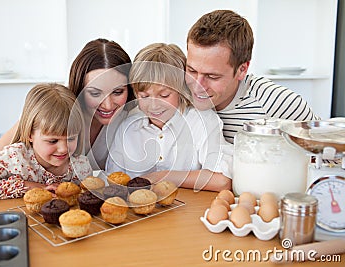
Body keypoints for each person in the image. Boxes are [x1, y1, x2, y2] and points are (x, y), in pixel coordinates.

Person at [0, 38, 134, 195]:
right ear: (80, 87)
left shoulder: (131, 120)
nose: (108, 105)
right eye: (95, 93)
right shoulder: (55, 113)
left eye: (118, 92)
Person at [106, 43, 232, 192]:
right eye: (144, 96)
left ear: (182, 89)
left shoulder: (201, 121)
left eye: (164, 95)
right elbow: (112, 180)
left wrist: (162, 176)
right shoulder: (128, 128)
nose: (153, 105)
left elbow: (222, 181)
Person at [185, 10, 320, 144]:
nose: (197, 86)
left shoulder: (277, 103)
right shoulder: (175, 94)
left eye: (212, 76)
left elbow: (326, 156)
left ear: (242, 70)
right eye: (191, 70)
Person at [0, 83, 92, 200]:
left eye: (71, 138)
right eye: (53, 141)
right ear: (29, 135)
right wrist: (28, 186)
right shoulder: (14, 158)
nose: (63, 148)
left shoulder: (81, 166)